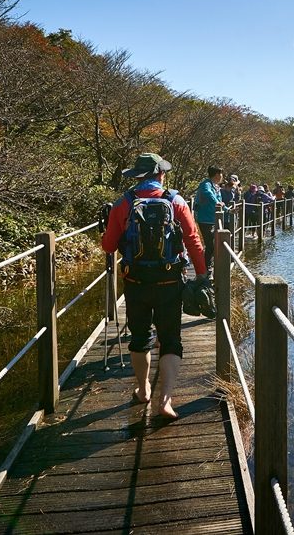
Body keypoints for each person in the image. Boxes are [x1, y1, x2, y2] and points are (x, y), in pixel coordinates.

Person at [101, 153, 207, 419]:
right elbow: (194, 240)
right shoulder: (176, 201)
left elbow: (108, 246)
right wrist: (203, 275)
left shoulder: (122, 204)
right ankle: (166, 401)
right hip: (170, 281)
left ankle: (143, 389)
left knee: (139, 338)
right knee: (171, 339)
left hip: (135, 282)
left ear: (137, 176)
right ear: (161, 175)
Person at [193, 166, 224, 269]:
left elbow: (220, 203)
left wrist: (228, 210)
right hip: (205, 219)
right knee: (210, 244)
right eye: (221, 174)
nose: (222, 177)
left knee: (213, 244)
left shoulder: (216, 186)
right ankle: (206, 268)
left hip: (213, 219)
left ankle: (209, 266)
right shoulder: (205, 184)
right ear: (217, 175)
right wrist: (217, 202)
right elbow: (209, 195)